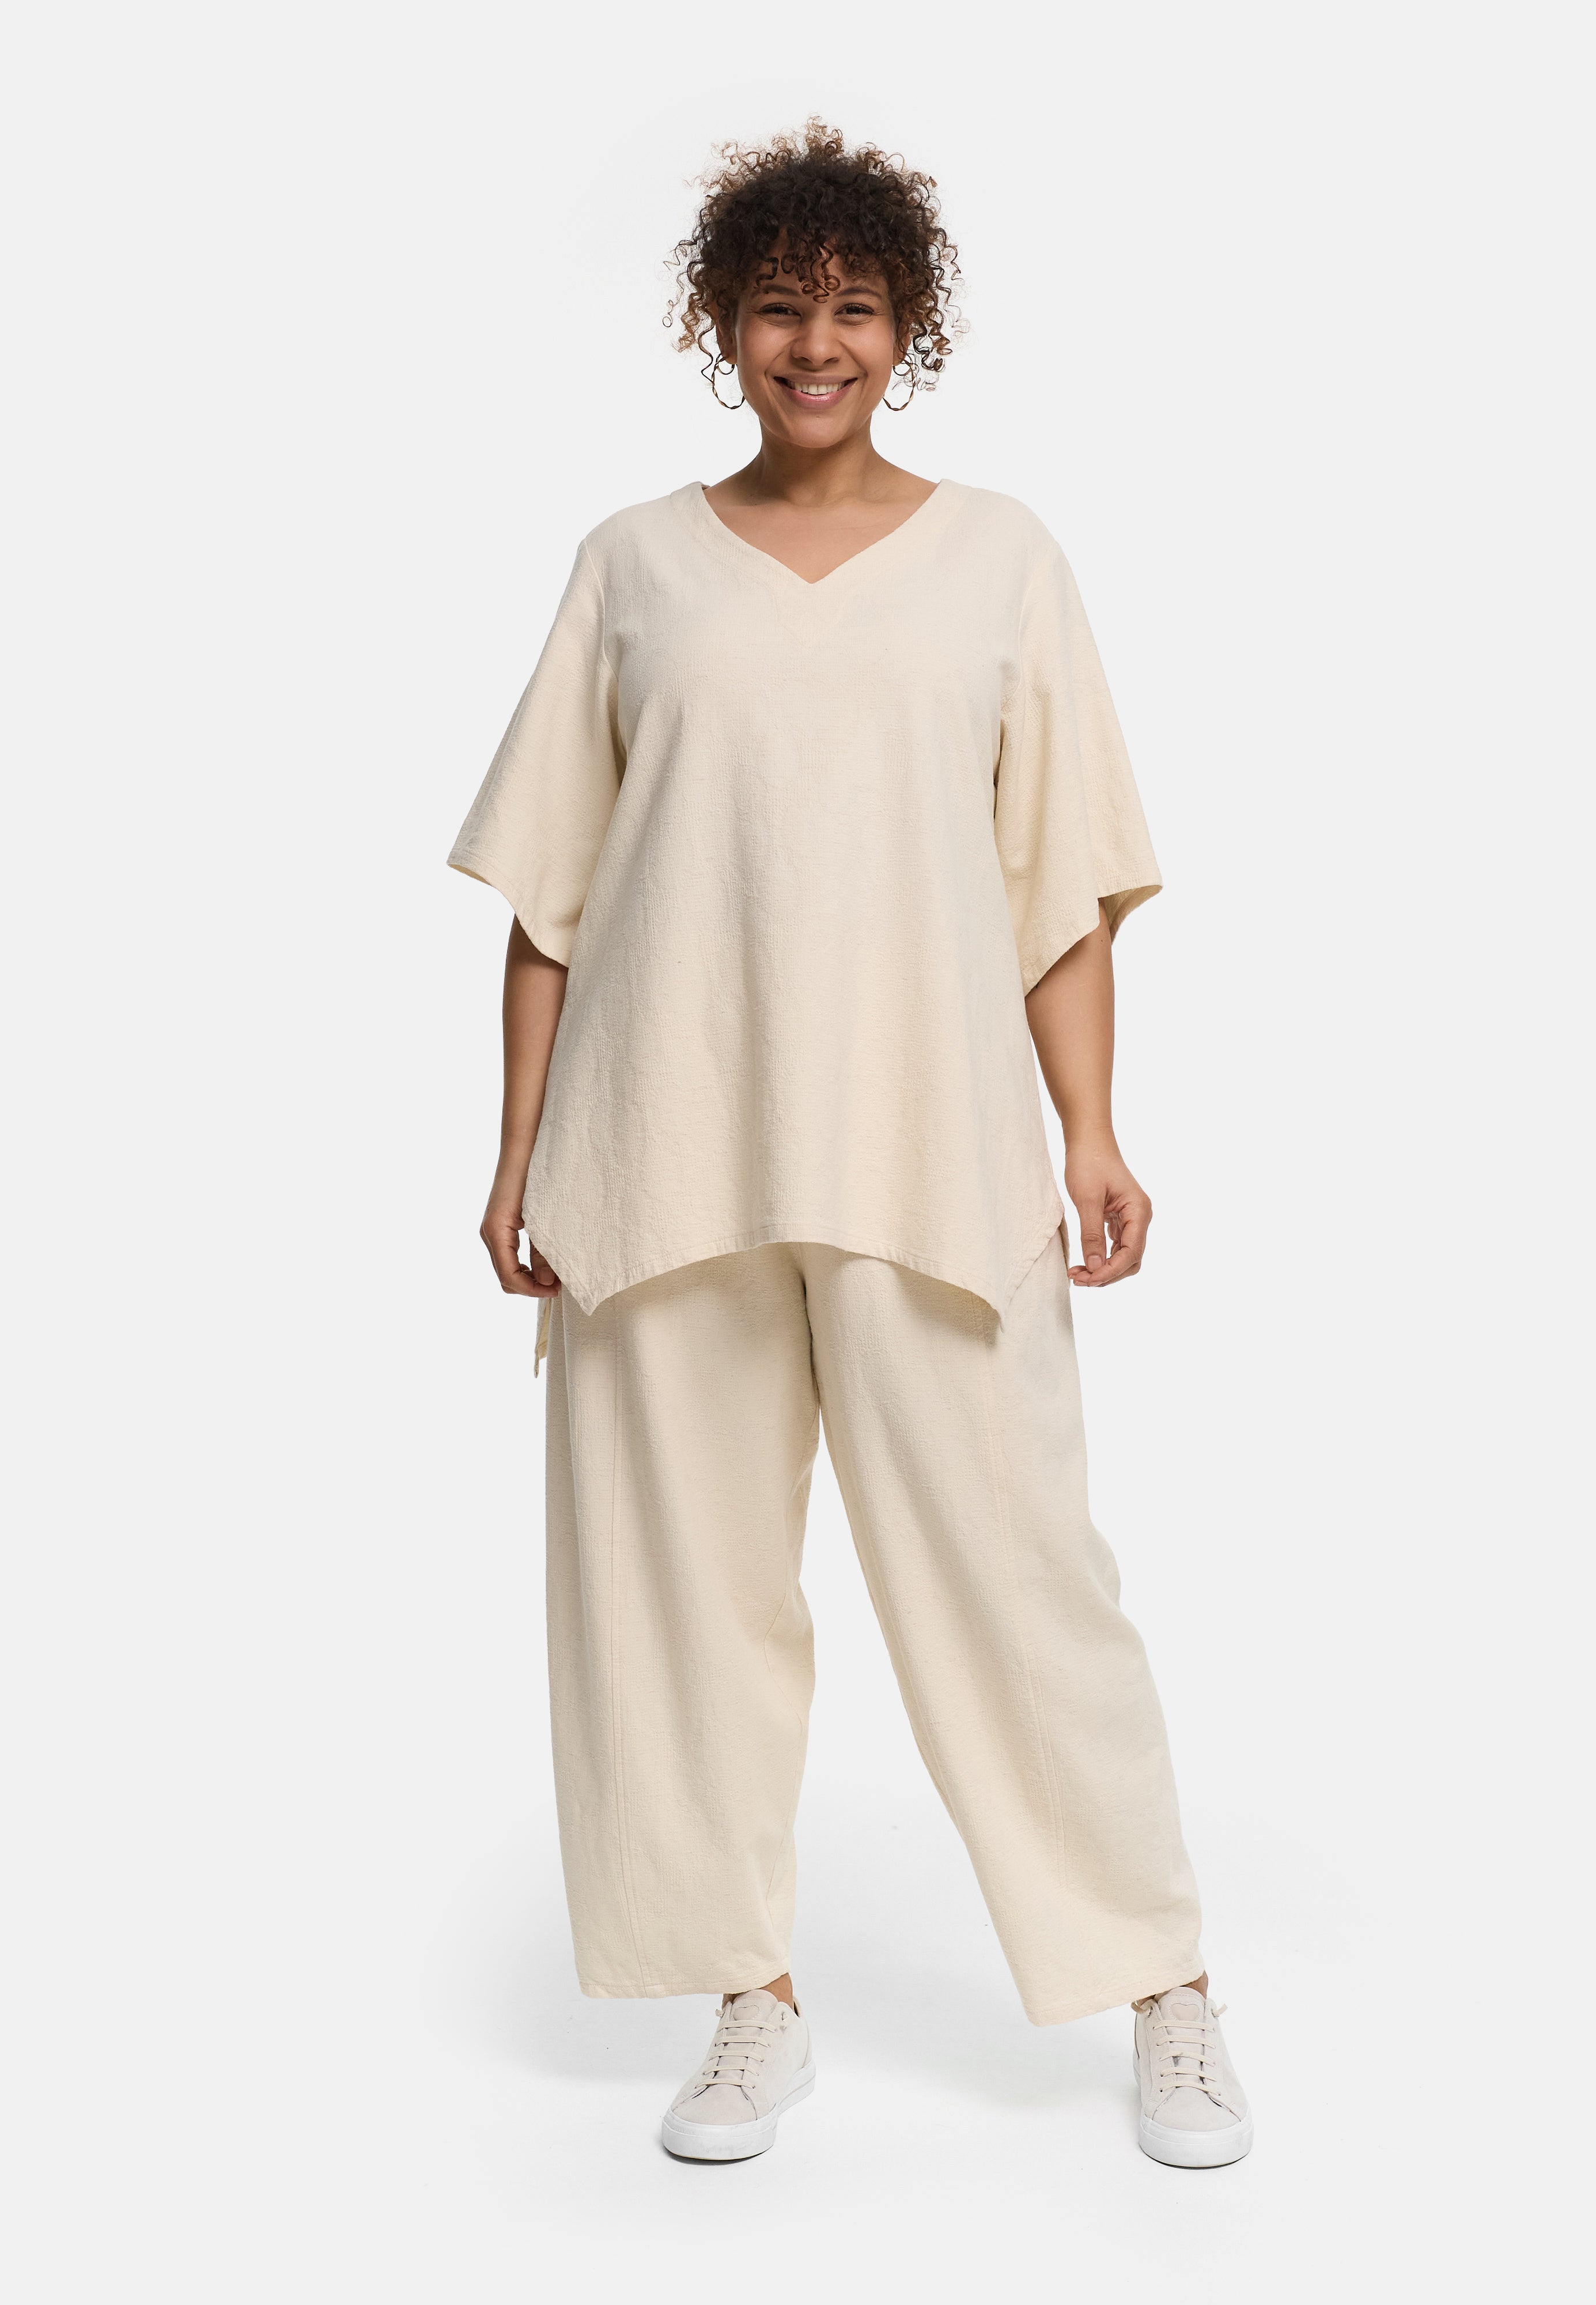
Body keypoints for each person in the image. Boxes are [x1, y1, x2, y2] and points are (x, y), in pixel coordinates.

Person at [449, 119, 1252, 2169]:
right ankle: (750, 1997)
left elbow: (1057, 884)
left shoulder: (1000, 559)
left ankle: (1161, 1984)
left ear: (909, 329)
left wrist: (1090, 1131)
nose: (817, 343)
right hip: (662, 1143)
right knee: (674, 1595)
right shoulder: (632, 564)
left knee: (1017, 1578)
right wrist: (518, 1151)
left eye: (856, 307)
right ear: (719, 327)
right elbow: (550, 900)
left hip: (929, 1144)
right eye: (778, 307)